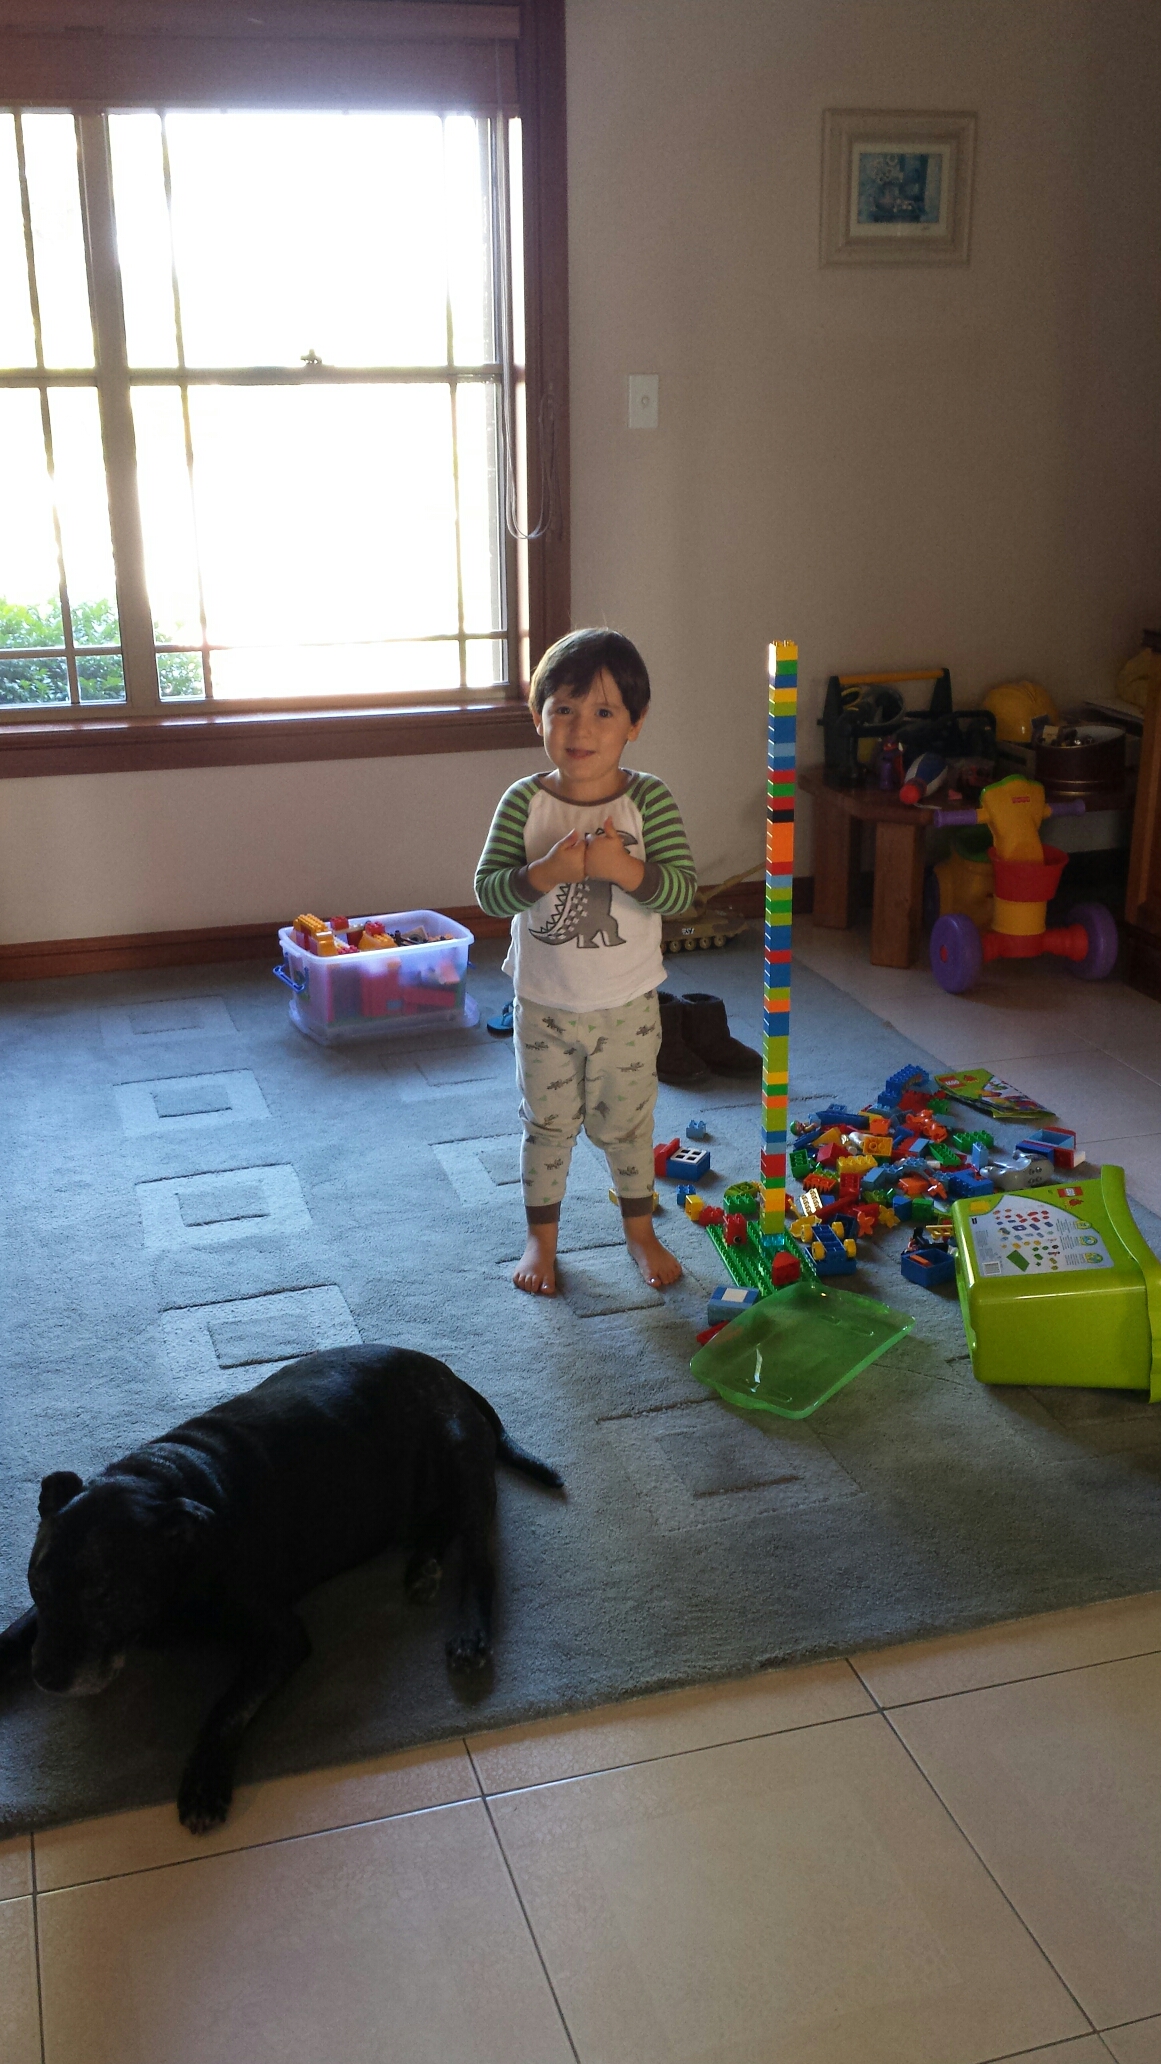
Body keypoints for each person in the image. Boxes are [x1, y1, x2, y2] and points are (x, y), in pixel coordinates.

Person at [475, 628, 697, 1297]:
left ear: (635, 723)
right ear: (537, 714)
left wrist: (623, 869)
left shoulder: (647, 799)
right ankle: (540, 1241)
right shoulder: (524, 800)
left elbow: (681, 893)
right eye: (564, 709)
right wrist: (542, 874)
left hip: (627, 1007)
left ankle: (639, 1232)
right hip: (542, 1005)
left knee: (627, 1127)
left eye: (603, 711)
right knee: (545, 1127)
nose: (581, 728)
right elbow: (489, 893)